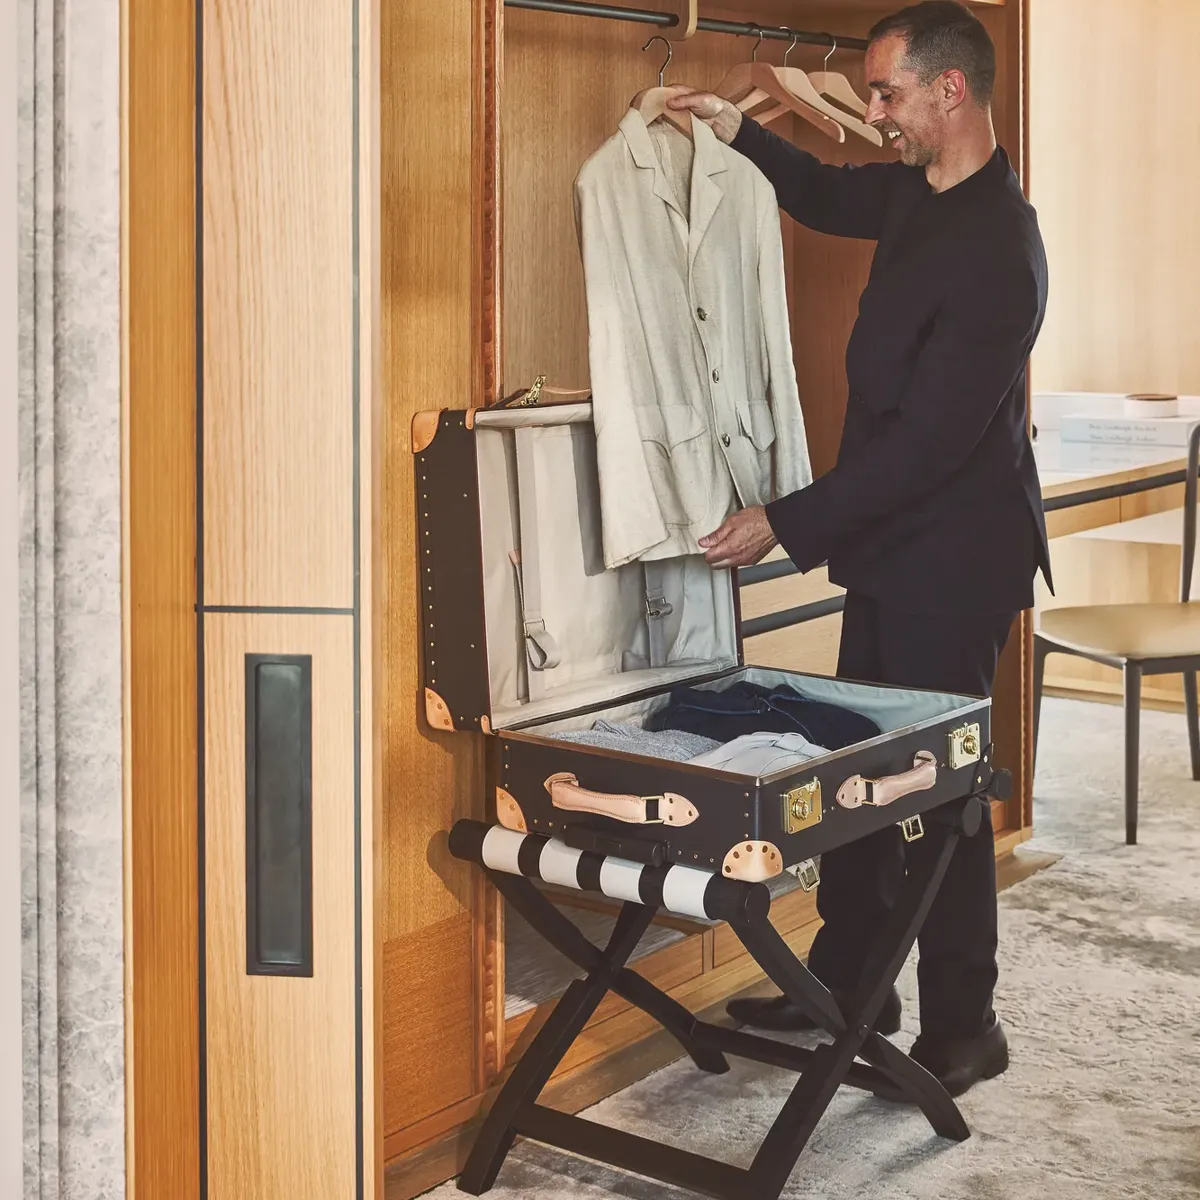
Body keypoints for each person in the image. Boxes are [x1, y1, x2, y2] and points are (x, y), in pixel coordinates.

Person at [668, 0, 1051, 1097]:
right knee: (861, 778)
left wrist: (785, 522)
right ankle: (846, 983)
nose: (870, 113)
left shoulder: (999, 250)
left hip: (956, 561)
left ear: (951, 92)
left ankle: (964, 1022)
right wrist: (734, 131)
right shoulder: (917, 194)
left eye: (886, 95)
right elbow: (828, 191)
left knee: (937, 793)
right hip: (893, 549)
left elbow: (931, 446)